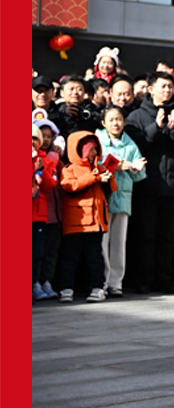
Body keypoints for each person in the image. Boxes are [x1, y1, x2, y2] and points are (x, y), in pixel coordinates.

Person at [124, 72, 174, 294]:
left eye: (170, 86)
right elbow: (134, 146)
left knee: (167, 236)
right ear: (151, 89)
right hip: (146, 184)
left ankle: (165, 278)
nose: (167, 90)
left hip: (173, 185)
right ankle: (144, 279)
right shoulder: (137, 116)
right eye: (163, 86)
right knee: (146, 235)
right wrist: (155, 127)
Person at [57, 131, 116, 303]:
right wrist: (94, 177)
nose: (93, 153)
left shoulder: (99, 167)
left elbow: (112, 188)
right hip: (76, 222)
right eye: (90, 149)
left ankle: (98, 287)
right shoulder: (69, 169)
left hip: (96, 222)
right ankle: (66, 288)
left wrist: (108, 177)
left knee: (95, 257)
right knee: (70, 257)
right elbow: (69, 186)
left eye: (95, 149)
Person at [96, 108, 147, 297]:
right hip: (103, 197)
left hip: (123, 198)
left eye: (119, 119)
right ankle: (101, 281)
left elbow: (139, 175)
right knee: (102, 242)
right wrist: (119, 165)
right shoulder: (98, 140)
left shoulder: (130, 144)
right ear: (103, 123)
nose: (115, 123)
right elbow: (95, 165)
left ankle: (116, 283)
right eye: (111, 120)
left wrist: (136, 169)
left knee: (119, 243)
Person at [32, 126, 59, 301]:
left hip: (39, 214)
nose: (32, 142)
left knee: (36, 252)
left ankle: (35, 283)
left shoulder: (47, 160)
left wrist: (40, 168)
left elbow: (50, 184)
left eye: (35, 139)